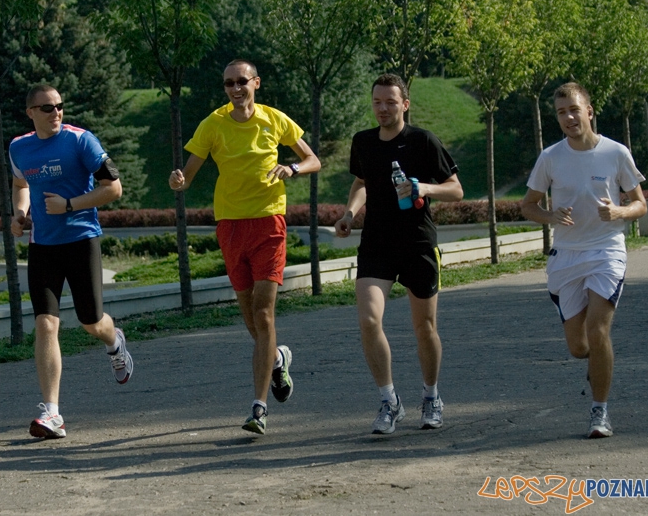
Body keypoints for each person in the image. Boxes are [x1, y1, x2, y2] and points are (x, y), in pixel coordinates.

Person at [168, 59, 320, 435]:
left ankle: (259, 407)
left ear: (256, 83)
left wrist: (292, 169)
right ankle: (278, 356)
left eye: (242, 82)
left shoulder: (274, 119)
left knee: (264, 314)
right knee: (251, 318)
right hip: (231, 225)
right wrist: (178, 181)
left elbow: (313, 159)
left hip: (269, 220)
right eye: (229, 84)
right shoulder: (213, 124)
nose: (235, 89)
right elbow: (187, 175)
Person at [334, 73, 463, 435]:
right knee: (369, 321)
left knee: (424, 328)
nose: (383, 108)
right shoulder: (363, 142)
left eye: (390, 102)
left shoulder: (423, 141)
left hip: (418, 243)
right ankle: (389, 402)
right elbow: (361, 182)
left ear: (405, 104)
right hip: (376, 244)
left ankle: (431, 396)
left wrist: (424, 187)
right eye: (377, 102)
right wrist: (349, 213)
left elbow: (456, 190)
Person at [521, 82, 646, 438]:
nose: (568, 117)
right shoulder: (550, 157)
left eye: (574, 109)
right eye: (561, 112)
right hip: (567, 255)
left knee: (598, 328)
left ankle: (599, 411)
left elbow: (639, 204)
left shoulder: (616, 153)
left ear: (589, 111)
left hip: (607, 249)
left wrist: (619, 211)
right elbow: (528, 205)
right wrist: (551, 216)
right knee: (579, 347)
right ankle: (596, 360)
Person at [9, 84, 134, 439]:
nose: (56, 113)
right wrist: (20, 214)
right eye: (47, 108)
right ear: (30, 112)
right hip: (43, 245)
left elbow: (114, 188)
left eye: (60, 106)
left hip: (81, 239)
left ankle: (115, 342)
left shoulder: (81, 141)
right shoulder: (19, 146)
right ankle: (53, 415)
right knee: (47, 325)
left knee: (91, 322)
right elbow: (20, 183)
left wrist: (68, 205)